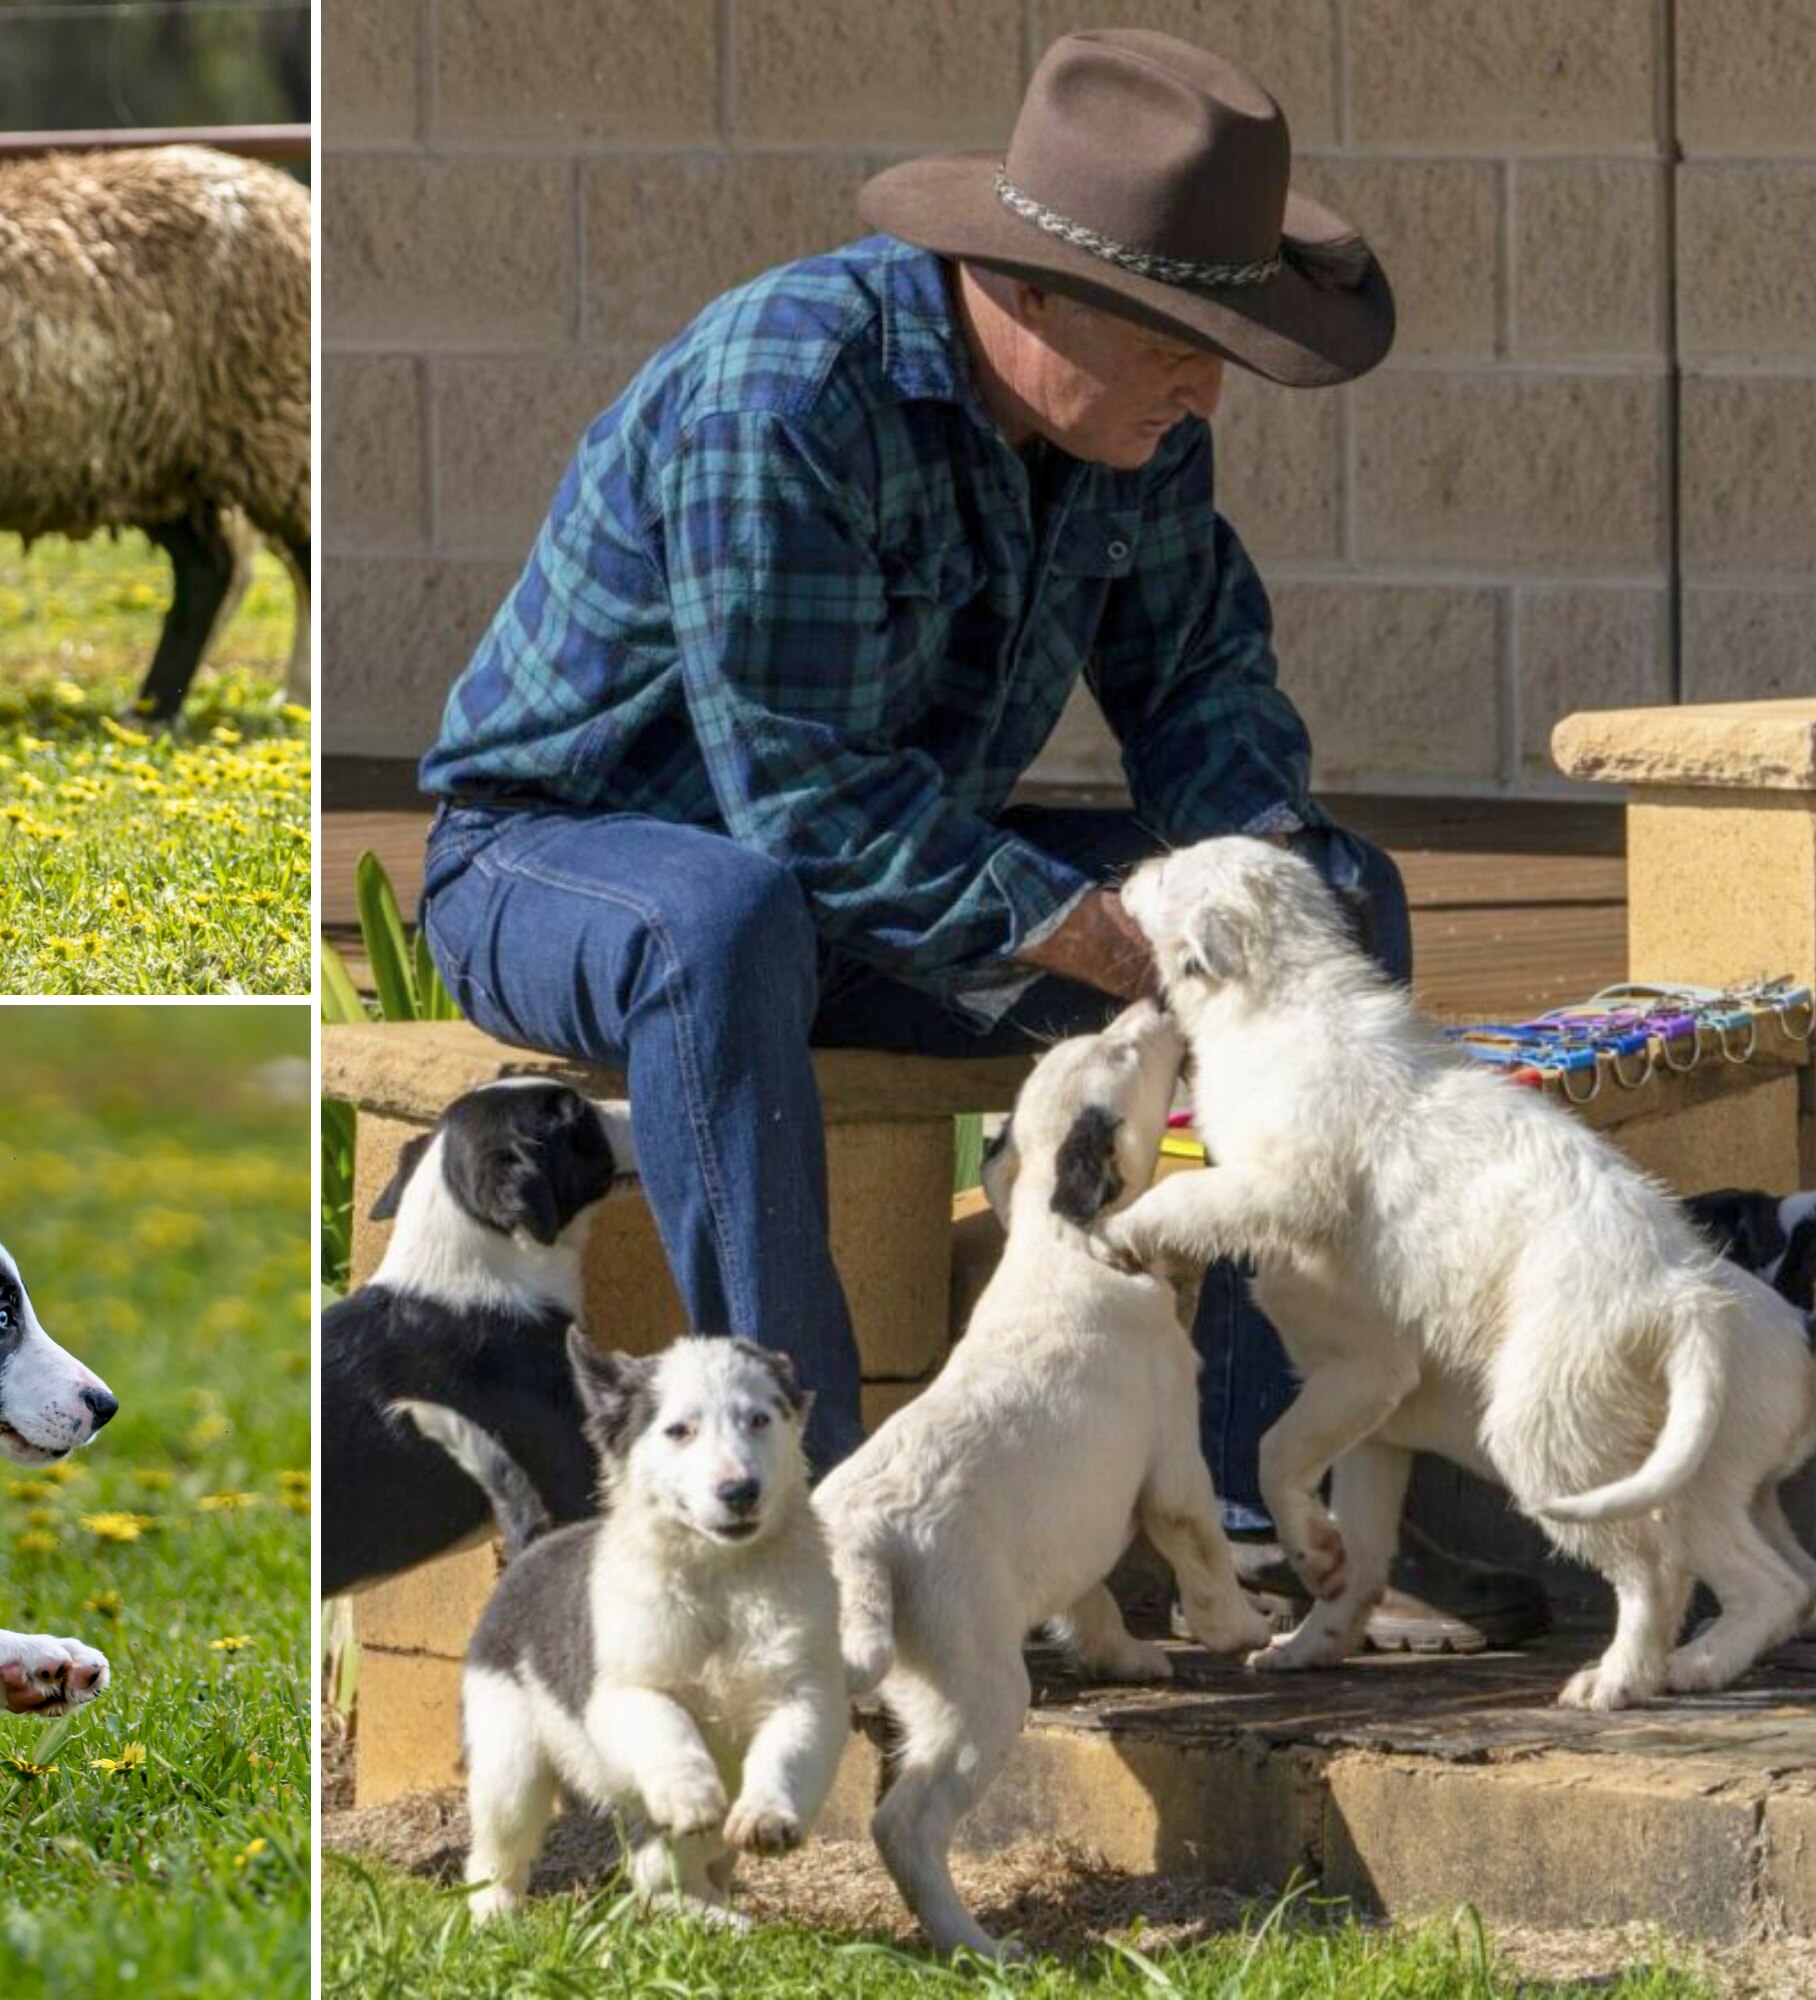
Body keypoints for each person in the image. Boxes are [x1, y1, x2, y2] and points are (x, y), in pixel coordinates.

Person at [412, 28, 1541, 1649]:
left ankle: (1231, 1507)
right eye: (1184, 336)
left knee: (1328, 899)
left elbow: (1206, 699)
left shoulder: (1135, 426)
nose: (1209, 381)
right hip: (572, 859)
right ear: (1030, 292)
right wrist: (1083, 931)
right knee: (724, 919)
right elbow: (796, 797)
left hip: (865, 880)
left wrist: (1267, 886)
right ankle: (831, 1539)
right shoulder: (787, 394)